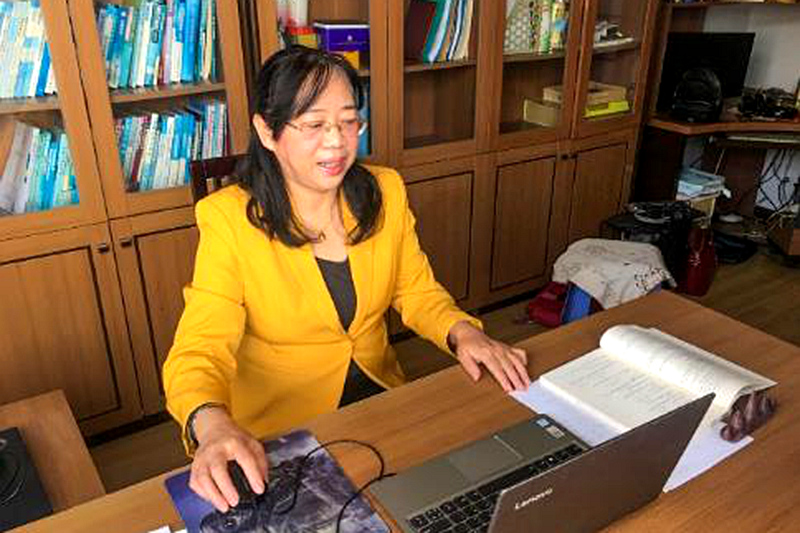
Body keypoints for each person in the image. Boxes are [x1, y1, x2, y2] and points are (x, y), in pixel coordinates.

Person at [163, 46, 530, 514]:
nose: (336, 141)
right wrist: (211, 423)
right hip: (283, 431)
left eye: (349, 121)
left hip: (378, 402)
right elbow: (199, 347)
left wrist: (463, 333)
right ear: (267, 131)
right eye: (314, 124)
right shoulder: (228, 220)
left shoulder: (384, 190)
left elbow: (415, 290)